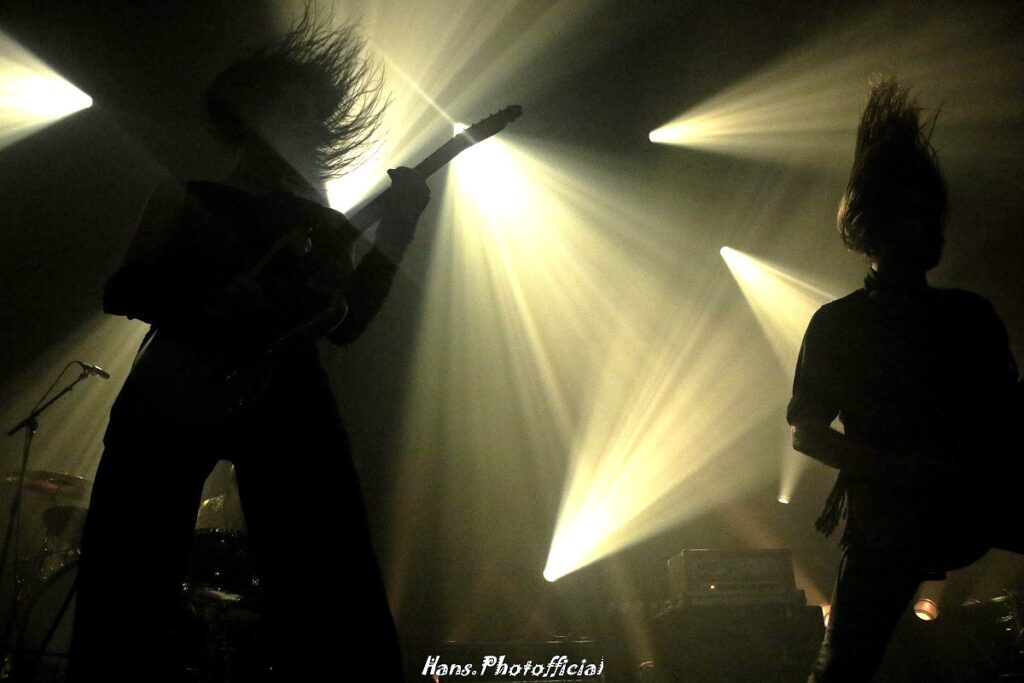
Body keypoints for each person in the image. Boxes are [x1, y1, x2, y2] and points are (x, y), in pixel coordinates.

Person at [68, 14, 428, 682]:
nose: (305, 123)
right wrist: (207, 306)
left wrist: (398, 230)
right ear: (250, 112)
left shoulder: (320, 220)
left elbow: (345, 324)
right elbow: (123, 289)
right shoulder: (186, 196)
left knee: (331, 579)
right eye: (291, 108)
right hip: (173, 392)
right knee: (127, 582)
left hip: (281, 391)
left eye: (313, 114)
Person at [788, 78, 1021, 682]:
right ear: (877, 226)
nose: (924, 227)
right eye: (910, 216)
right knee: (843, 668)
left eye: (927, 215)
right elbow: (806, 432)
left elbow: (1008, 415)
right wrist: (899, 470)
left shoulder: (968, 316)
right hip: (892, 520)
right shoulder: (842, 324)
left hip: (946, 505)